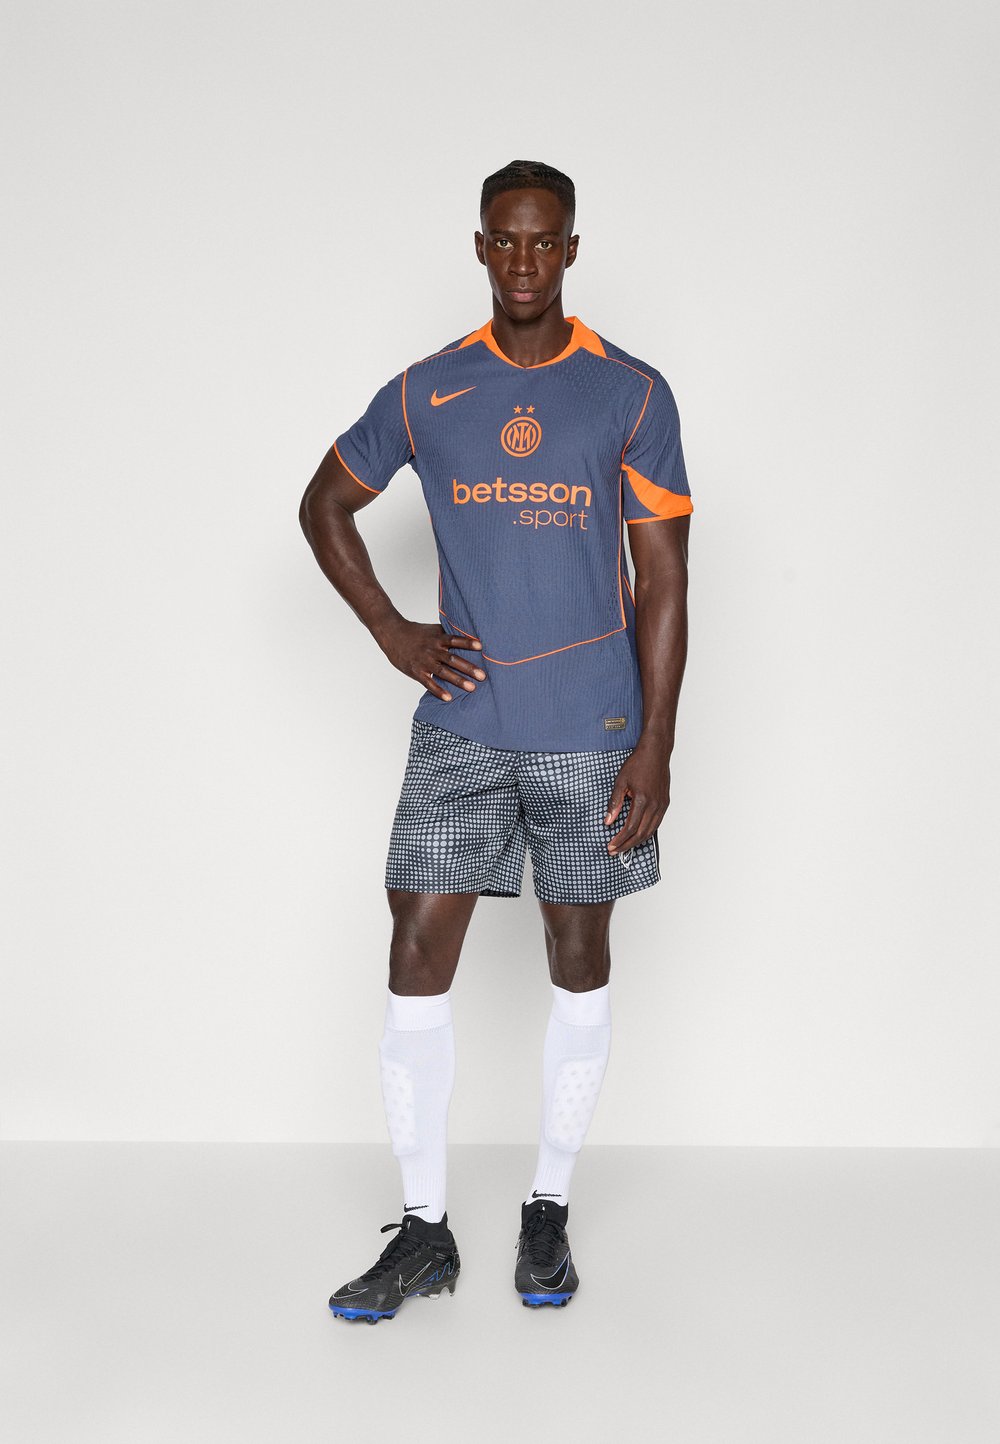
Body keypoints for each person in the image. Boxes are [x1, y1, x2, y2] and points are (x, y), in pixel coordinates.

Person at [299, 159, 693, 1323]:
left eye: (543, 241)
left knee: (578, 953)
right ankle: (424, 1232)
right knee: (415, 945)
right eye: (504, 241)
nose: (524, 260)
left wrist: (657, 744)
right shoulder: (429, 391)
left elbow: (664, 581)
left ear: (571, 249)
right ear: (481, 248)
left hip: (591, 729)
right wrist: (392, 630)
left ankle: (547, 1210)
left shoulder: (630, 393)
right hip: (464, 725)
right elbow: (324, 503)